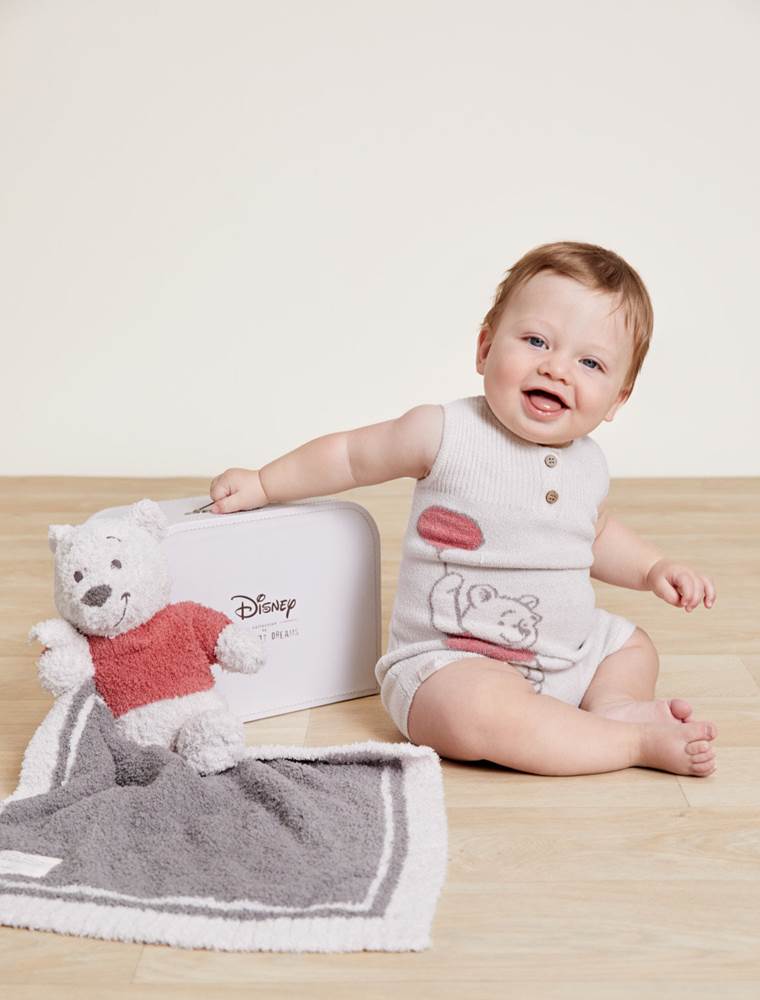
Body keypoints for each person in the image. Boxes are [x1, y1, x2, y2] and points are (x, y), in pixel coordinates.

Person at [207, 241, 718, 778]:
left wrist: (653, 568)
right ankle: (629, 743)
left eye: (589, 362)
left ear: (617, 398)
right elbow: (351, 455)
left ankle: (612, 708)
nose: (556, 368)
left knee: (632, 646)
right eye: (536, 341)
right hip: (452, 664)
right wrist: (265, 482)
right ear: (485, 348)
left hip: (564, 655)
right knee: (475, 709)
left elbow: (596, 535)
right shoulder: (445, 432)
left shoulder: (588, 463)